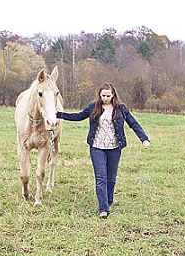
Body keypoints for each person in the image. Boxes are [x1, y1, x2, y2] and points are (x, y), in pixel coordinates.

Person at [57, 83, 150, 219]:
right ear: (99, 95)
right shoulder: (93, 107)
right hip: (97, 147)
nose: (105, 98)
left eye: (108, 95)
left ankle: (108, 201)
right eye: (103, 95)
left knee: (111, 179)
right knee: (101, 177)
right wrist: (58, 114)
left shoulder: (121, 108)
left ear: (113, 95)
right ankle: (103, 208)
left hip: (114, 148)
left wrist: (144, 139)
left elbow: (133, 123)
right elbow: (78, 116)